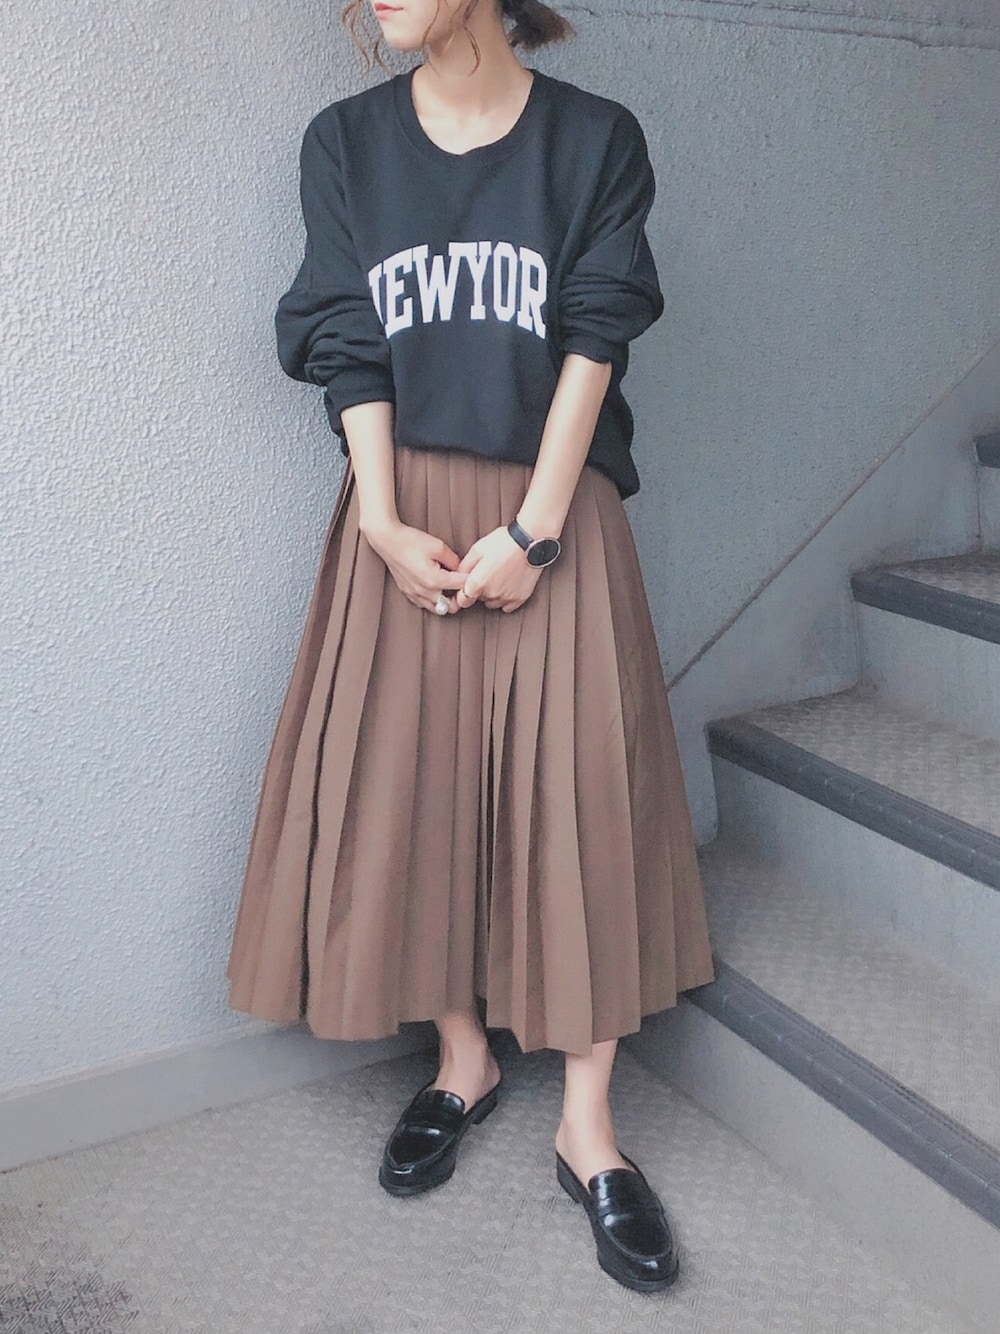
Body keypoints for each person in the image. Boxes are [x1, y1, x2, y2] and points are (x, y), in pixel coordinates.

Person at [226, 0, 715, 1294]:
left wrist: (537, 531)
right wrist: (380, 520)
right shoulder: (344, 144)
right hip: (405, 522)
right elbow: (346, 336)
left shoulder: (595, 140)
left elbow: (597, 334)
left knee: (586, 806)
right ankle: (464, 1057)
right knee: (418, 794)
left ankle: (588, 1125)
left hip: (554, 515)